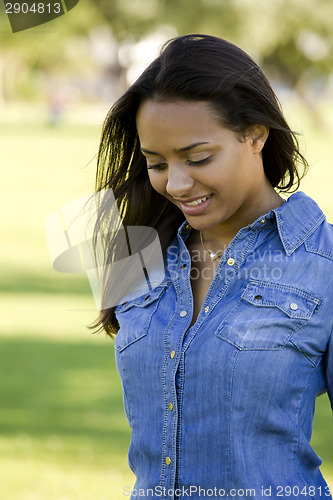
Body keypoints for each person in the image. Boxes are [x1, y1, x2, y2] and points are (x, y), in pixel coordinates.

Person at [92, 34, 333, 499]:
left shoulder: (323, 265)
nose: (177, 183)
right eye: (156, 163)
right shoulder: (137, 250)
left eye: (198, 158)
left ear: (256, 135)